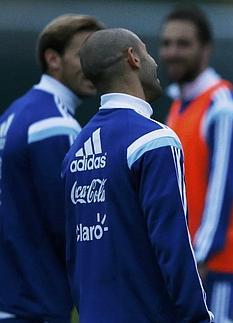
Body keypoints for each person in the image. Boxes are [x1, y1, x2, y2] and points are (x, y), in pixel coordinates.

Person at [61, 28, 213, 322]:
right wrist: (199, 316)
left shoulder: (75, 150)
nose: (156, 62)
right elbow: (173, 244)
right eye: (147, 51)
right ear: (133, 58)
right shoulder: (153, 139)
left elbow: (74, 254)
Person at [0, 14, 103, 322]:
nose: (93, 65)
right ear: (53, 59)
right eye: (83, 54)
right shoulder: (56, 124)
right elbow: (69, 224)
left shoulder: (14, 114)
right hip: (35, 301)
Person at [159, 6, 233, 322]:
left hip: (212, 268)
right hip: (180, 263)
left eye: (183, 44)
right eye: (167, 43)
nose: (173, 52)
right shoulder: (177, 106)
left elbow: (222, 190)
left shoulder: (224, 107)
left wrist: (198, 257)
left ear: (205, 49)